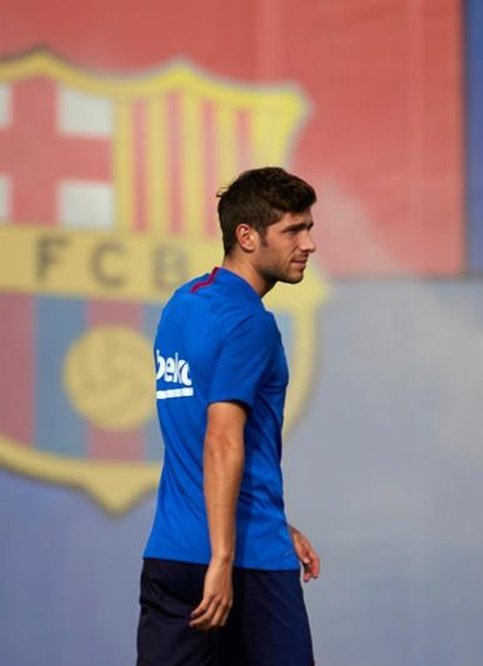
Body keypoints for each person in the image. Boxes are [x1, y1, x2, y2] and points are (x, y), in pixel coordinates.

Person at [137, 166, 321, 666]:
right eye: (293, 230)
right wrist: (222, 559)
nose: (308, 243)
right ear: (247, 236)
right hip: (244, 563)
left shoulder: (182, 305)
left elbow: (196, 429)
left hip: (172, 557)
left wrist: (273, 519)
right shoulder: (250, 323)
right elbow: (220, 439)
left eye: (309, 228)